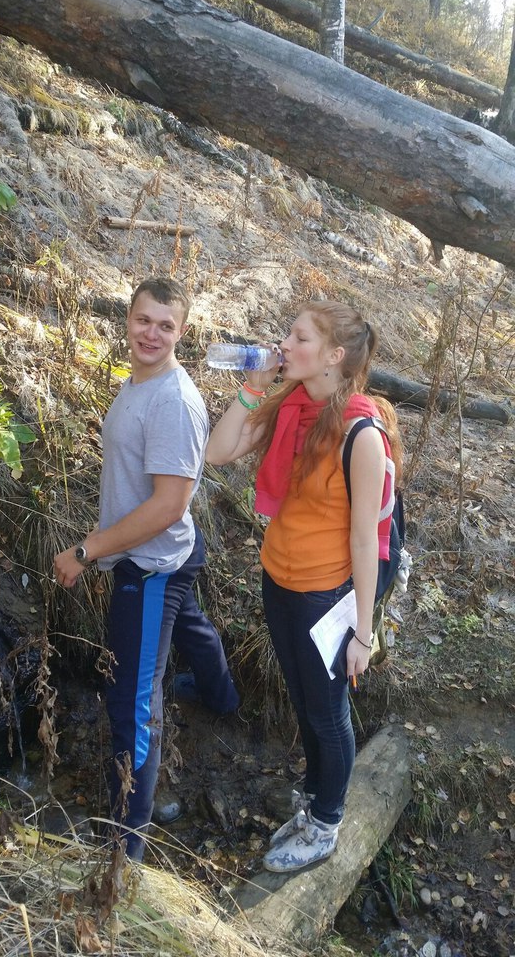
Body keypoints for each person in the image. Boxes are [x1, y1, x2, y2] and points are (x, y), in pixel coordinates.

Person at [206, 300, 402, 873]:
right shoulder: (289, 405)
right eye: (288, 335)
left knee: (326, 712)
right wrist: (252, 387)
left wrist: (362, 633)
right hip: (280, 577)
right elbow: (218, 452)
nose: (284, 345)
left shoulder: (361, 435)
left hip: (326, 595)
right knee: (302, 697)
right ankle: (315, 801)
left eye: (300, 338)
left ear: (334, 356)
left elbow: (366, 541)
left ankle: (326, 824)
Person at [54, 277, 239, 862]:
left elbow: (167, 507)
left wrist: (87, 551)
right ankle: (222, 697)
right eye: (143, 320)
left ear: (182, 332)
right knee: (191, 625)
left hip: (152, 564)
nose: (151, 334)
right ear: (128, 319)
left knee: (132, 700)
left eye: (165, 325)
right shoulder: (139, 381)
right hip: (175, 552)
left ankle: (125, 844)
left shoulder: (173, 403)